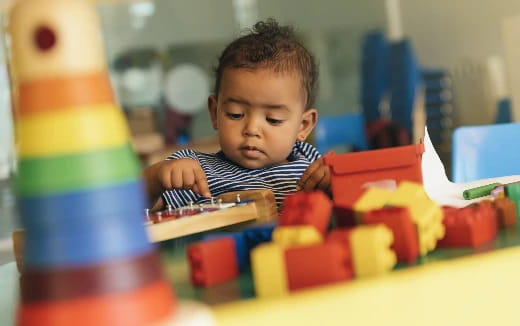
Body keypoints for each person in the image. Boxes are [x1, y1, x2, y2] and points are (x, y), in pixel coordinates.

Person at [143, 18, 331, 210]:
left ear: (303, 125)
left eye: (273, 119)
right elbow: (133, 207)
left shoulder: (311, 168)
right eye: (236, 114)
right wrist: (157, 177)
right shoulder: (196, 172)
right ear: (215, 113)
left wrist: (334, 184)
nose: (252, 129)